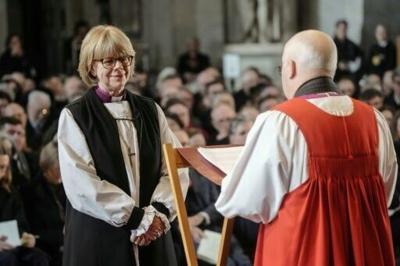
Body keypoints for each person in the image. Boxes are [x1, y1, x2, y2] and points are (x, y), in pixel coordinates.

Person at [215, 30, 397, 265]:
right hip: (364, 252)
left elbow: (245, 202)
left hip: (303, 251)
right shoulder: (375, 119)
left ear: (290, 68)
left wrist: (227, 177)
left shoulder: (280, 122)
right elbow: (386, 194)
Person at [57, 25, 189, 266]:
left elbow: (175, 166)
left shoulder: (150, 110)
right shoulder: (76, 116)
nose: (119, 67)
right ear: (91, 66)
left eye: (124, 59)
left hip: (153, 234)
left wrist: (158, 212)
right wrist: (136, 218)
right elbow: (81, 184)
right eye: (108, 61)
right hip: (100, 238)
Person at [0, 136, 49, 266]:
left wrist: (25, 237)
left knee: (39, 257)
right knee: (8, 259)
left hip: (12, 244)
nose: (2, 173)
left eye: (4, 168)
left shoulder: (10, 192)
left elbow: (21, 222)